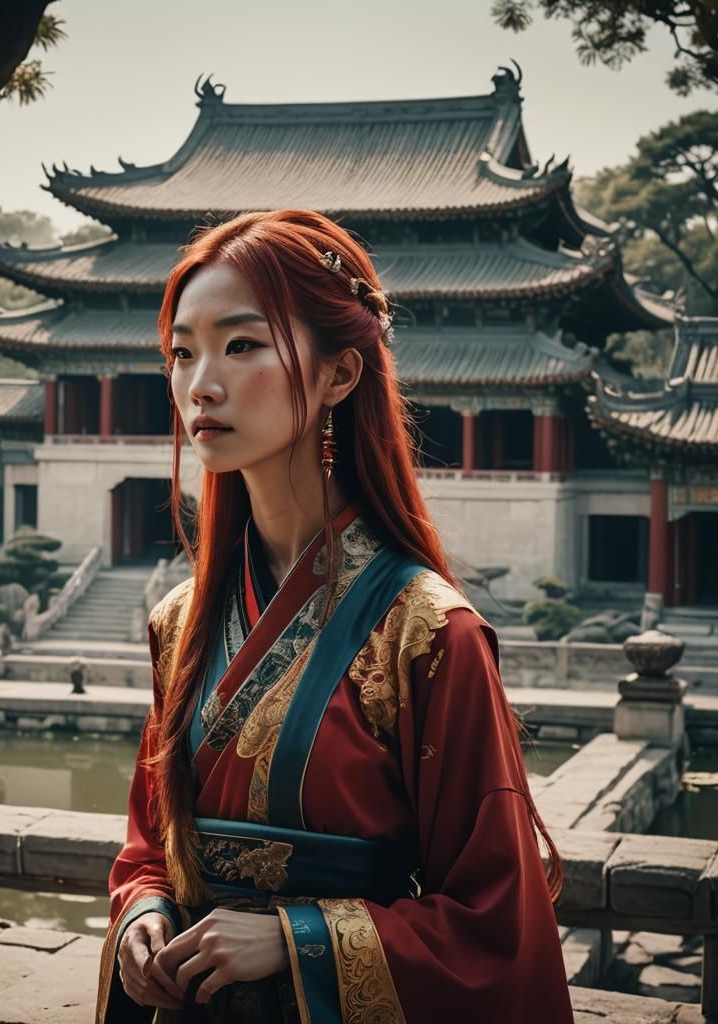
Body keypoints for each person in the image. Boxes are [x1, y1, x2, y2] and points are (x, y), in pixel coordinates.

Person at [94, 209, 574, 1023]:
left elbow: (497, 923)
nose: (198, 383)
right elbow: (150, 843)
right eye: (181, 352)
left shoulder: (426, 634)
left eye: (240, 345)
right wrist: (140, 911)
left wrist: (297, 938)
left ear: (340, 375)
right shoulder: (181, 624)